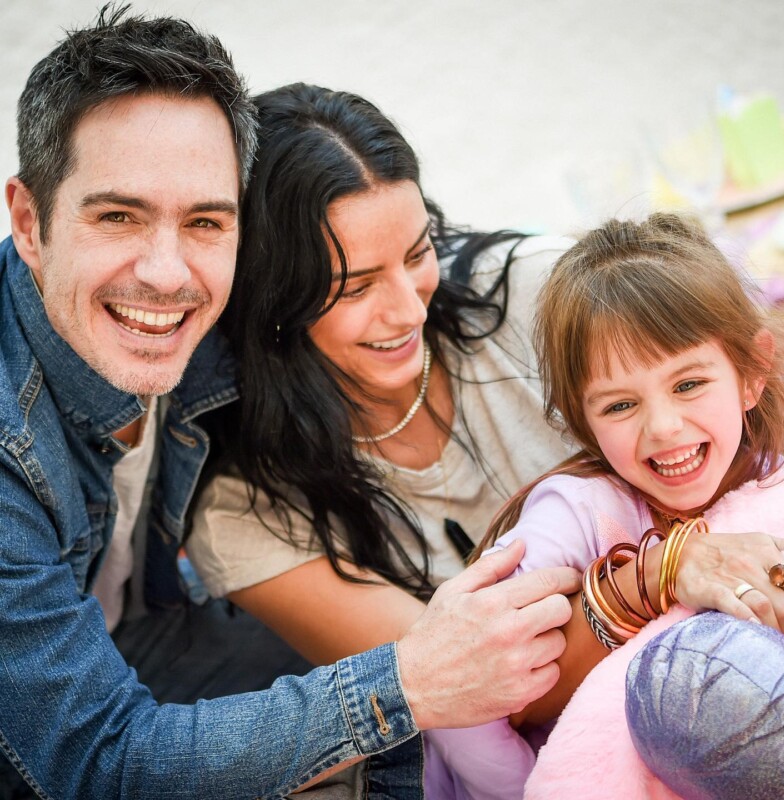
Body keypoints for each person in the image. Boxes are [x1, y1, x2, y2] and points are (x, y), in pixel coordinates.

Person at [0, 8, 581, 799]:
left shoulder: (231, 313)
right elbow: (97, 761)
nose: (168, 273)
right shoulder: (13, 438)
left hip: (152, 637)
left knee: (397, 743)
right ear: (30, 221)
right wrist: (406, 681)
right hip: (48, 739)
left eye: (205, 221)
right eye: (118, 216)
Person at [424, 213, 784, 798]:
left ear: (751, 373)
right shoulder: (574, 513)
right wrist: (529, 785)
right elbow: (460, 706)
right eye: (620, 406)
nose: (665, 428)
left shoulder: (782, 488)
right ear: (582, 420)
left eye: (688, 384)